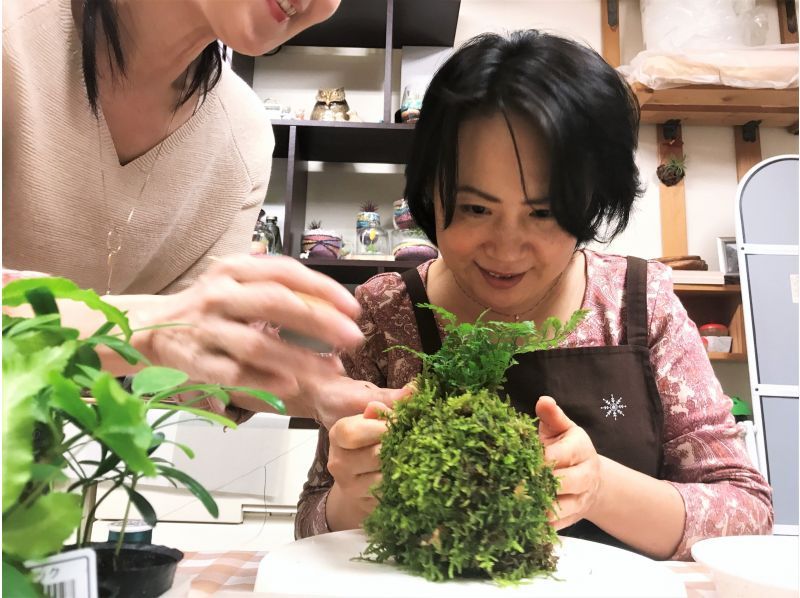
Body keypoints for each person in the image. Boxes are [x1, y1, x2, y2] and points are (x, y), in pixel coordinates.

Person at [295, 30, 773, 559]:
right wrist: (352, 499)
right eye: (476, 209)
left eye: (543, 213)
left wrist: (599, 488)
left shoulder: (639, 302)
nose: (506, 248)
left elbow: (744, 513)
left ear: (591, 204)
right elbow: (312, 522)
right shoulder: (383, 312)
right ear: (429, 192)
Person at [3, 0, 407, 427]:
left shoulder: (243, 136)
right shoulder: (13, 34)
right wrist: (154, 328)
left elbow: (188, 367)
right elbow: (168, 336)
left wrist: (315, 391)